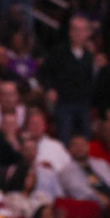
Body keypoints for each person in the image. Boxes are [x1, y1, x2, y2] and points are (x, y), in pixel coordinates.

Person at [38, 15, 94, 143]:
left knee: (85, 138)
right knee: (64, 138)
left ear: (87, 33)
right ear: (70, 32)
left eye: (82, 30)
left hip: (83, 103)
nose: (78, 34)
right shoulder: (58, 52)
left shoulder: (89, 56)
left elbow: (90, 80)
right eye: (75, 29)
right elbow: (44, 73)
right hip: (64, 102)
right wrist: (49, 89)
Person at [58, 135, 110, 206]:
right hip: (90, 205)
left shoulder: (102, 164)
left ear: (88, 147)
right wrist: (99, 199)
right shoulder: (66, 172)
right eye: (76, 145)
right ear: (69, 150)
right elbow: (79, 192)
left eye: (83, 144)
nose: (80, 148)